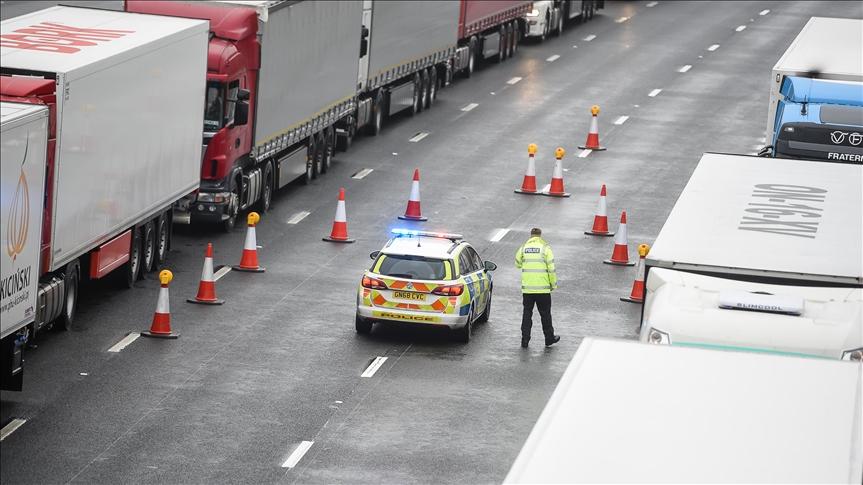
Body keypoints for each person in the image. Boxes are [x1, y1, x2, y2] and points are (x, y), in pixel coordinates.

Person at [515, 228, 560, 348]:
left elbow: (517, 263)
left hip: (528, 289)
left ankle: (525, 340)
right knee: (545, 315)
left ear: (531, 236)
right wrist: (553, 284)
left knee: (527, 314)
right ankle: (549, 339)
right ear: (540, 236)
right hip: (543, 289)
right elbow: (551, 269)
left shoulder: (524, 248)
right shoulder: (545, 248)